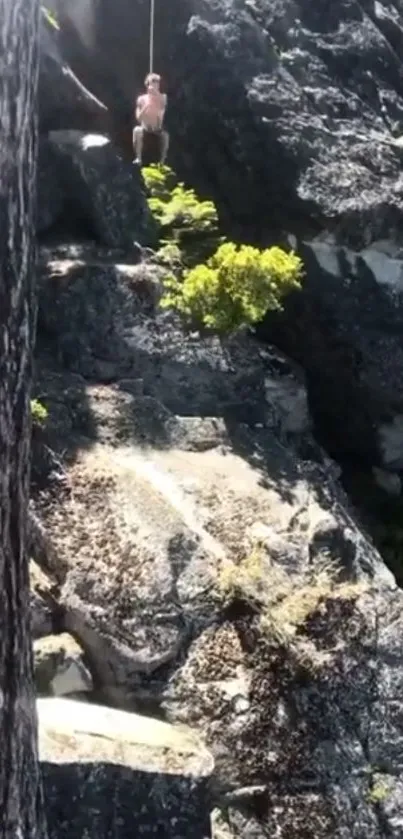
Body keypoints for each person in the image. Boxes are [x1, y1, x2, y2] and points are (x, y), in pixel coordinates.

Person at [133, 73, 169, 166]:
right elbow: (139, 118)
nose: (155, 85)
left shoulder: (162, 97)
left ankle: (162, 161)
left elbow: (163, 103)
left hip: (157, 129)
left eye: (157, 83)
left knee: (165, 136)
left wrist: (155, 94)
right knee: (136, 130)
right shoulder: (141, 99)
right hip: (145, 128)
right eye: (152, 82)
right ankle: (138, 158)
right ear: (148, 84)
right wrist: (146, 106)